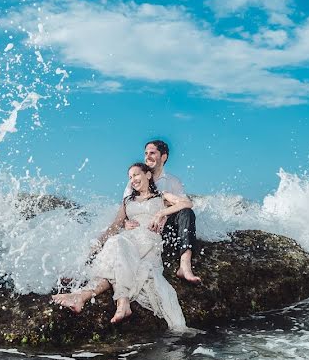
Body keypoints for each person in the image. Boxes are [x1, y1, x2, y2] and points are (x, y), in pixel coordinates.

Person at [52, 162, 190, 330]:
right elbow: (114, 226)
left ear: (148, 175)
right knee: (115, 247)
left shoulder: (161, 196)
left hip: (148, 242)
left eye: (136, 175)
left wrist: (161, 213)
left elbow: (186, 203)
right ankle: (97, 299)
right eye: (130, 177)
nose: (133, 180)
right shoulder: (127, 202)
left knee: (116, 244)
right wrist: (97, 244)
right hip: (127, 240)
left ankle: (98, 299)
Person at [123, 140, 200, 283]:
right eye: (146, 153)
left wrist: (162, 213)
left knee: (187, 213)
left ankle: (185, 266)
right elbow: (126, 208)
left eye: (152, 153)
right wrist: (125, 223)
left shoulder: (173, 181)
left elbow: (187, 204)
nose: (147, 156)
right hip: (141, 231)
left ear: (163, 157)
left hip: (164, 230)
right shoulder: (134, 180)